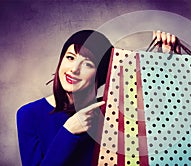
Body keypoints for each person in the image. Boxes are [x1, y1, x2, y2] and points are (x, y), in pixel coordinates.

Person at [16, 30, 179, 166]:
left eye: (87, 64)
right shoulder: (28, 114)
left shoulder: (113, 112)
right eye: (70, 57)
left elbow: (162, 118)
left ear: (99, 75)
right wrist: (69, 132)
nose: (74, 69)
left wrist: (168, 60)